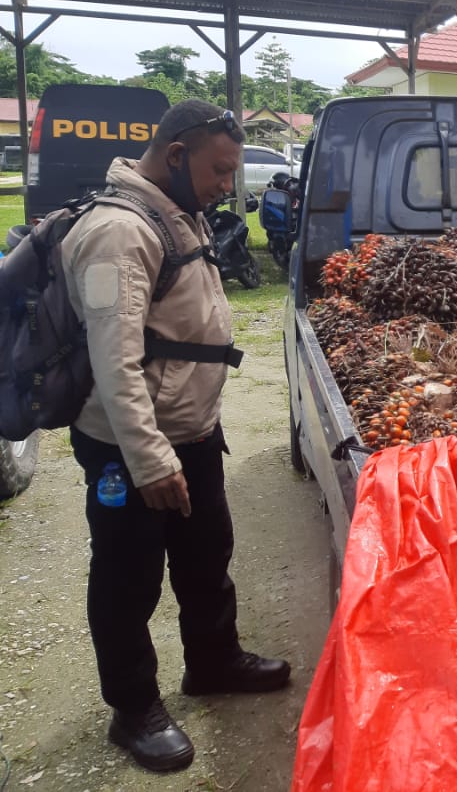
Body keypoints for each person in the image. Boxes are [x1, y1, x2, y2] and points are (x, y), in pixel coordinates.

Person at [62, 100, 290, 774]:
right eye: (220, 170)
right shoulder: (116, 232)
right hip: (130, 447)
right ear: (174, 155)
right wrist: (149, 459)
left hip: (190, 431)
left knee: (205, 555)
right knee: (128, 577)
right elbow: (114, 362)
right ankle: (133, 709)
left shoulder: (175, 208)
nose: (229, 184)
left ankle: (213, 662)